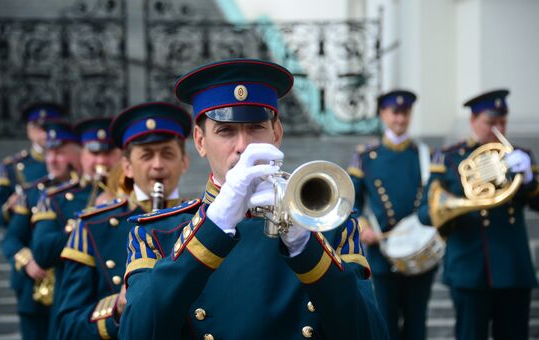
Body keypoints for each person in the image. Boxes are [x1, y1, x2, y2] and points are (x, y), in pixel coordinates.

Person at [119, 59, 388, 339]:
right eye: (226, 131)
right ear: (199, 141)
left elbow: (371, 333)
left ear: (277, 133)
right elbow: (136, 332)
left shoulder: (331, 225)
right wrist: (214, 226)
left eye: (256, 127)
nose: (243, 146)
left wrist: (304, 246)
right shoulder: (155, 232)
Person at [57, 102, 191, 339]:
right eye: (146, 155)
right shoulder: (92, 226)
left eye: (168, 154)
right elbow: (67, 326)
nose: (158, 165)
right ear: (127, 166)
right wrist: (116, 308)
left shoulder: (205, 220)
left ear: (184, 162)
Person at [418, 89, 539, 340]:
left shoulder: (520, 156)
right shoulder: (449, 157)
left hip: (512, 267)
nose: (498, 129)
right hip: (469, 268)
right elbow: (425, 214)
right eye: (490, 122)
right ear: (473, 121)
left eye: (503, 121)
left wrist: (529, 179)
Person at [348, 90, 436, 340]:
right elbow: (350, 198)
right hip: (383, 253)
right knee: (385, 323)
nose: (400, 119)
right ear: (382, 114)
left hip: (419, 254)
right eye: (395, 113)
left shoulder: (424, 155)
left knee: (416, 325)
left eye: (405, 113)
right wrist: (363, 226)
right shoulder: (366, 156)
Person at [29, 117, 122, 340]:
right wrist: (92, 222)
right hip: (79, 307)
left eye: (108, 153)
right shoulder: (55, 198)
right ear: (82, 155)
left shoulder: (134, 199)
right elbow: (42, 252)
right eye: (94, 153)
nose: (101, 161)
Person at [0, 120, 82, 340]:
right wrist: (28, 261)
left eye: (60, 153)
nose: (52, 159)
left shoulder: (90, 194)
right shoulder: (32, 194)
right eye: (49, 153)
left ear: (77, 154)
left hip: (73, 289)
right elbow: (12, 239)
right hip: (36, 291)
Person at [0, 102, 65, 228]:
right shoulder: (13, 166)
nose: (45, 133)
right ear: (28, 130)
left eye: (50, 127)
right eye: (38, 127)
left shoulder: (72, 161)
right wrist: (10, 207)